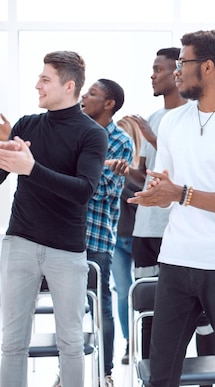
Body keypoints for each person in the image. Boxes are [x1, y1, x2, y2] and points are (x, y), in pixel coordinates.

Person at [128, 29, 215, 387]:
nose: (176, 71)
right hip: (175, 261)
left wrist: (183, 194)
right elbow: (167, 184)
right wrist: (156, 193)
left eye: (182, 63)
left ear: (207, 67)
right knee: (161, 372)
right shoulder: (174, 122)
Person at [0, 51, 108, 387]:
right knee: (12, 343)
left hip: (66, 250)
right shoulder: (26, 125)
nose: (37, 85)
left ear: (69, 85)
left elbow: (83, 190)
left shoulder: (92, 134)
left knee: (71, 343)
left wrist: (31, 169)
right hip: (19, 242)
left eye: (45, 79)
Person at [81, 78, 134, 386]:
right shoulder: (74, 131)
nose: (84, 97)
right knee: (71, 311)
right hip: (64, 237)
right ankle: (69, 372)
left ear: (109, 103)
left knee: (102, 307)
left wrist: (79, 170)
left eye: (92, 93)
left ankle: (106, 373)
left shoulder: (121, 142)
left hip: (97, 238)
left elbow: (100, 190)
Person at [109, 116, 143, 365]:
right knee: (122, 293)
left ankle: (146, 340)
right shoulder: (108, 167)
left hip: (141, 238)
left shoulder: (139, 172)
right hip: (116, 239)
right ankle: (129, 342)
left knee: (144, 291)